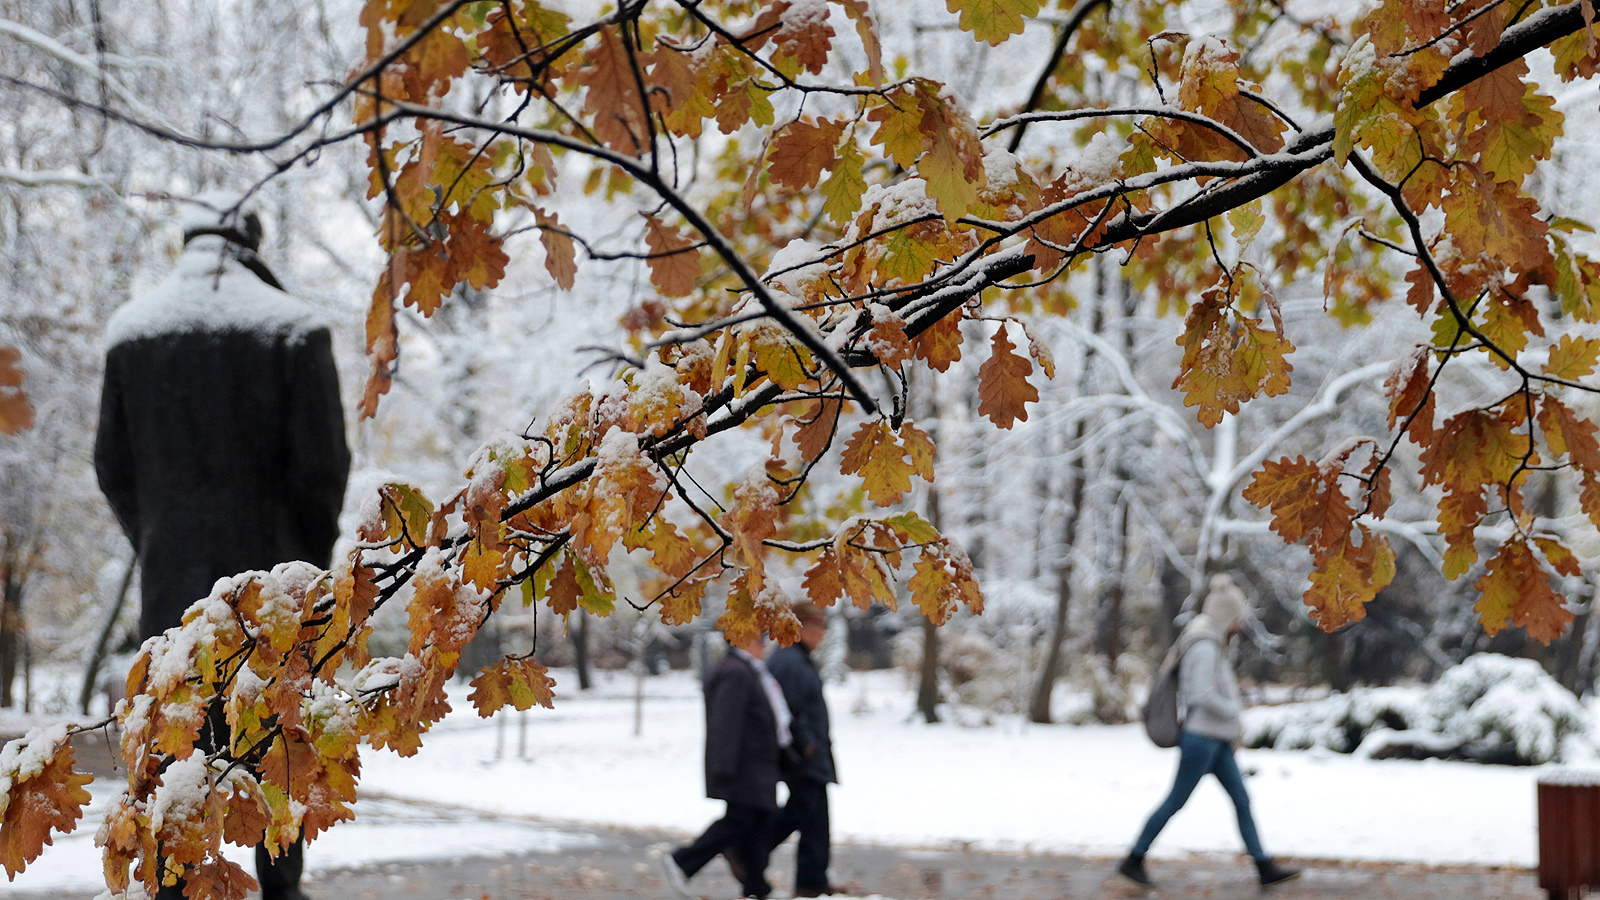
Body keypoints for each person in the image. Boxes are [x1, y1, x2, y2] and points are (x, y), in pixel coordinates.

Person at [95, 192, 350, 900]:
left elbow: (111, 468)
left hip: (170, 590)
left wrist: (156, 541)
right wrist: (302, 567)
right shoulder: (294, 331)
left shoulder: (131, 335)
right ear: (253, 245)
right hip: (274, 597)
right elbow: (322, 472)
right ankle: (280, 885)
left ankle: (176, 884)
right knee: (276, 750)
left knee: (177, 747)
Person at [1118, 576, 1300, 888]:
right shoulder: (1204, 645)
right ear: (1226, 616)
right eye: (1238, 617)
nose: (1241, 624)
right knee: (1176, 800)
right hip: (1201, 739)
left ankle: (1264, 867)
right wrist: (1234, 709)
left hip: (1215, 739)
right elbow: (1200, 693)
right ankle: (1133, 859)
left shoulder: (1211, 643)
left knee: (1241, 800)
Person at [655, 631, 792, 900]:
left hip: (754, 766)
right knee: (740, 821)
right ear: (740, 640)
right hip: (744, 766)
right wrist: (723, 768)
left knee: (757, 823)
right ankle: (683, 860)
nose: (763, 645)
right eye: (757, 639)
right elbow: (726, 723)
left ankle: (756, 885)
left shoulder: (746, 670)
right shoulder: (736, 672)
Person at [764, 602, 840, 897]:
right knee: (802, 810)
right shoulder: (790, 661)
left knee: (816, 816)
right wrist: (805, 743)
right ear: (799, 627)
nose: (821, 634)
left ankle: (813, 879)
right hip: (802, 756)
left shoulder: (798, 658)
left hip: (811, 754)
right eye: (817, 626)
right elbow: (788, 710)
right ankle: (749, 851)